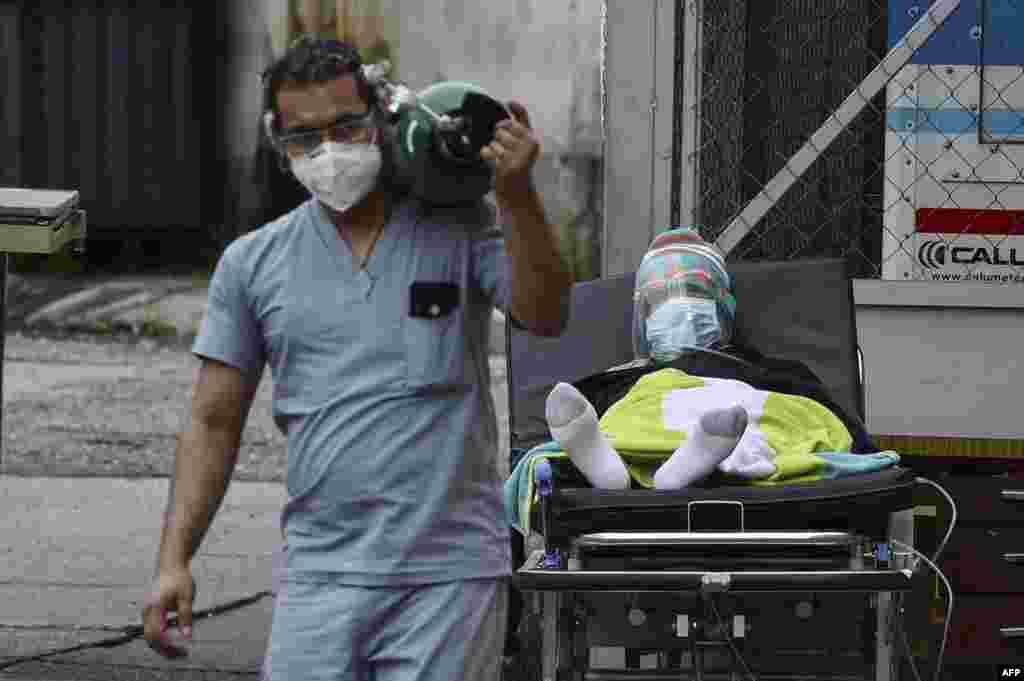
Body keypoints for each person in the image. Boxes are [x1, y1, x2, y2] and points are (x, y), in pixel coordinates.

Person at [141, 36, 572, 681]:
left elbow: (546, 315)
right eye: (304, 136)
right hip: (321, 574)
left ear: (381, 119)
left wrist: (518, 198)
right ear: (276, 139)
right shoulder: (253, 264)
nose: (329, 151)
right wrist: (175, 559)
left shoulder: (461, 228)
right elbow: (213, 422)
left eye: (346, 126)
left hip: (449, 577)